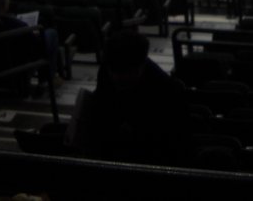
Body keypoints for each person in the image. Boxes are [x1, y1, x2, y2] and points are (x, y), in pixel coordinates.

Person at [70, 31, 191, 166]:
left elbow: (169, 148)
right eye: (114, 73)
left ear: (142, 65)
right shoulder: (107, 69)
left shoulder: (168, 93)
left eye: (125, 78)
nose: (117, 80)